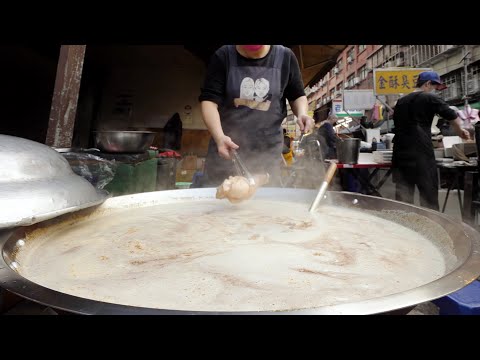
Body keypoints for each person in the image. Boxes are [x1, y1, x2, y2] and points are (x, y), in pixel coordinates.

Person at [197, 45, 315, 187]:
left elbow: (297, 95)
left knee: (266, 205)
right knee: (219, 202)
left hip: (266, 155)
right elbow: (209, 101)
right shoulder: (224, 56)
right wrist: (219, 137)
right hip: (226, 152)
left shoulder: (285, 57)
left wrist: (302, 113)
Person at [392, 71, 470, 211]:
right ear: (428, 84)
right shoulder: (428, 97)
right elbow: (452, 115)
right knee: (428, 198)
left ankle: (403, 227)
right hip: (420, 153)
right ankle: (430, 227)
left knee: (403, 198)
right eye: (434, 86)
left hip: (400, 154)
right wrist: (460, 131)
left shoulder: (400, 101)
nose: (434, 90)